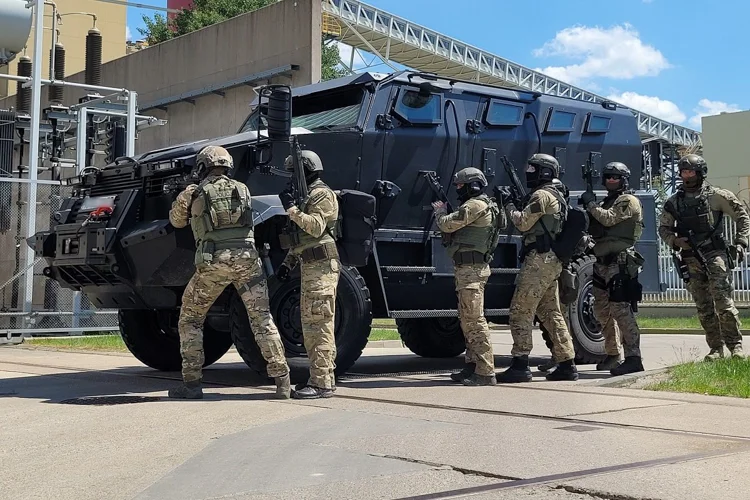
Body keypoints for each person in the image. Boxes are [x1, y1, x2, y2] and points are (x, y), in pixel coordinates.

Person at [167, 145, 291, 400]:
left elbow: (176, 221)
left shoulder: (194, 192)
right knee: (262, 319)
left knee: (190, 318)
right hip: (247, 260)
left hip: (214, 262)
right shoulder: (242, 188)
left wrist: (187, 192)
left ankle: (191, 384)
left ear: (202, 167)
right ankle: (282, 382)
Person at [495, 153, 578, 383]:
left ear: (545, 172)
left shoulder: (542, 195)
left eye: (533, 169)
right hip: (551, 261)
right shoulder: (556, 195)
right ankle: (567, 363)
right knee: (550, 312)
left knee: (520, 310)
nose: (528, 172)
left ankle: (520, 364)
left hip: (540, 260)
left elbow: (522, 222)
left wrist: (509, 203)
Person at [658, 153, 750, 361]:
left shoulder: (717, 196)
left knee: (724, 303)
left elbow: (742, 216)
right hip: (690, 259)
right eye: (683, 172)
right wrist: (674, 241)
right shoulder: (673, 203)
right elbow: (663, 227)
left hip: (715, 254)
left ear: (700, 173)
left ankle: (735, 346)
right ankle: (716, 349)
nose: (686, 176)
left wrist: (741, 242)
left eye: (690, 171)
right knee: (704, 307)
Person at [276, 149, 341, 399]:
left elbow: (315, 228)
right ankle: (321, 379)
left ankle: (323, 383)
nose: (291, 178)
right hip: (311, 267)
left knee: (319, 326)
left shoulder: (322, 194)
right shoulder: (306, 197)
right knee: (312, 327)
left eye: (294, 172)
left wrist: (291, 209)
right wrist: (287, 264)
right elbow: (301, 241)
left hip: (322, 267)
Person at [431, 167, 502, 386]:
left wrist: (440, 211)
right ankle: (472, 365)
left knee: (474, 320)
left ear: (474, 186)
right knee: (467, 320)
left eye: (461, 186)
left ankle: (485, 371)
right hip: (468, 269)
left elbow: (446, 224)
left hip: (472, 270)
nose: (459, 190)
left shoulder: (476, 204)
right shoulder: (477, 204)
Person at [579, 161, 645, 375]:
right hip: (602, 263)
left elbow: (608, 220)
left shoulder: (628, 201)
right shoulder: (607, 202)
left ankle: (634, 357)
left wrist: (590, 205)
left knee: (621, 310)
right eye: (607, 177)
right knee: (601, 311)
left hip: (620, 263)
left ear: (624, 180)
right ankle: (612, 354)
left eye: (615, 177)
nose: (610, 180)